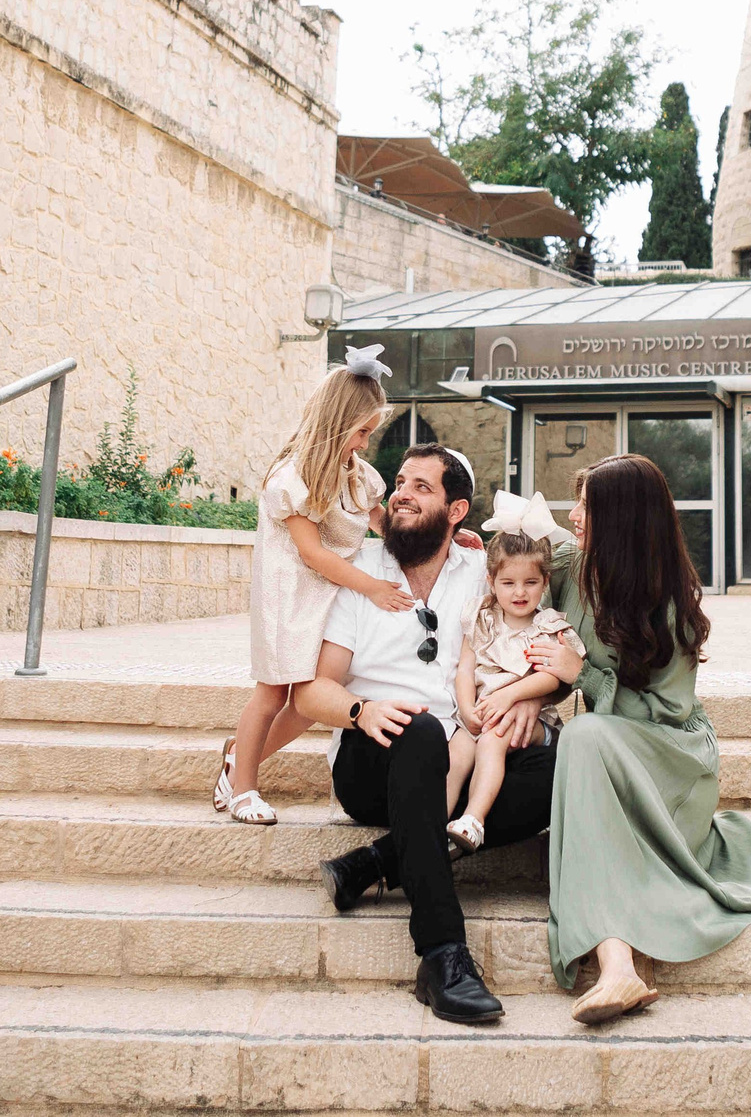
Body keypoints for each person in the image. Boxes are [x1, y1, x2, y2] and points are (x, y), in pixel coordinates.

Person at [294, 444, 551, 1025]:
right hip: (373, 760)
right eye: (401, 483)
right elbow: (311, 693)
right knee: (423, 733)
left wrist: (533, 699)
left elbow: (531, 649)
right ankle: (442, 954)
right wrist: (361, 710)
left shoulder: (483, 574)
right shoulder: (359, 574)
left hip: (458, 754)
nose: (402, 494)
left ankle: (372, 864)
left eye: (421, 487)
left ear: (456, 510)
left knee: (555, 769)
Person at [525, 452, 751, 1024]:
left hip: (671, 758)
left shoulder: (670, 605)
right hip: (605, 750)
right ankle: (618, 968)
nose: (574, 518)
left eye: (587, 508)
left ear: (620, 519)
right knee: (584, 739)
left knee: (585, 737)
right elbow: (512, 585)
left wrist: (582, 675)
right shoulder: (570, 568)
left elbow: (666, 712)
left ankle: (617, 966)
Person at [217, 347, 401, 827]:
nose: (365, 442)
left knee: (311, 699)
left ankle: (238, 757)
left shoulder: (358, 475)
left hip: (328, 594)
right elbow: (312, 553)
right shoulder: (292, 476)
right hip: (289, 595)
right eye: (361, 431)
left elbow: (386, 525)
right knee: (274, 693)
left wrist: (443, 537)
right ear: (338, 423)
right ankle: (244, 789)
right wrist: (373, 588)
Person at [444, 497, 577, 853]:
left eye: (530, 582)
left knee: (492, 740)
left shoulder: (546, 625)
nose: (520, 592)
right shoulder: (482, 617)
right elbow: (465, 667)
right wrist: (467, 708)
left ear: (545, 581)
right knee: (457, 753)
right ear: (491, 581)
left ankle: (474, 819)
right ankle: (432, 823)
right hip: (480, 713)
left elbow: (554, 677)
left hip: (528, 721)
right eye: (508, 583)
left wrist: (509, 695)